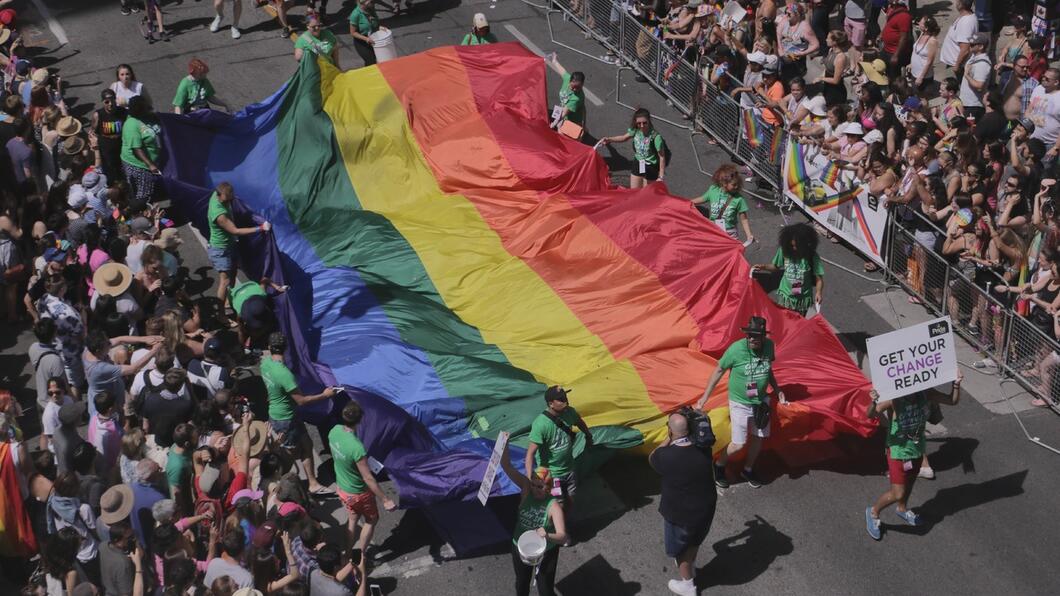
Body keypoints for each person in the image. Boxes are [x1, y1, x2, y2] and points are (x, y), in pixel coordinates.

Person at [865, 370, 963, 540]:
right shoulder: (894, 398)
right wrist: (874, 401)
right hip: (898, 452)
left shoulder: (926, 393)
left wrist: (956, 384)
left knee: (910, 482)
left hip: (917, 450)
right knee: (897, 493)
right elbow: (871, 413)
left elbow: (951, 401)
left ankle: (902, 509)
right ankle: (873, 512)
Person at [695, 316, 786, 488]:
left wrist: (778, 389)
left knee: (758, 438)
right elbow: (719, 370)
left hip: (760, 402)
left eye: (756, 335)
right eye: (749, 335)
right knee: (738, 444)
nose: (752, 338)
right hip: (740, 403)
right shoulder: (736, 350)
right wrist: (704, 397)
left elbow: (768, 370)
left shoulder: (769, 346)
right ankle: (719, 464)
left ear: (763, 336)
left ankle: (748, 469)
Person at [649, 412, 715, 596]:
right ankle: (691, 566)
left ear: (670, 430)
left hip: (681, 515)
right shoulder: (704, 448)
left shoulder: (666, 455)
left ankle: (688, 585)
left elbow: (652, 458)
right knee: (695, 540)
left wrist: (667, 439)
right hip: (706, 508)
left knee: (680, 551)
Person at [262, 331, 335, 495]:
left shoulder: (265, 364)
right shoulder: (284, 374)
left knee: (307, 444)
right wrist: (325, 395)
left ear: (269, 347)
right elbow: (301, 400)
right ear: (286, 348)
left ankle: (313, 483)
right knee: (288, 456)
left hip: (286, 415)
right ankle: (277, 487)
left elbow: (269, 385)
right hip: (285, 419)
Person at [329, 401, 396, 556]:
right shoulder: (357, 448)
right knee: (371, 520)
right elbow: (368, 478)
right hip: (359, 493)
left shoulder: (334, 431)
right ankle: (361, 554)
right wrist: (385, 499)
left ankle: (347, 553)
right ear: (360, 420)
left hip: (343, 489)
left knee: (352, 520)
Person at [500, 441, 567, 596]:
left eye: (540, 487)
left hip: (546, 550)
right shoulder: (526, 489)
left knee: (545, 589)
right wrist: (503, 443)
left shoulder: (553, 506)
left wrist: (548, 535)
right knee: (521, 583)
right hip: (521, 546)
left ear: (549, 488)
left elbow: (562, 536)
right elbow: (506, 466)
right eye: (534, 485)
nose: (535, 490)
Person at [524, 385, 592, 525]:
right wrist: (530, 477)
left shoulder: (570, 412)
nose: (565, 401)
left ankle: (563, 520)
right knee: (558, 503)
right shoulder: (541, 424)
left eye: (565, 398)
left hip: (570, 468)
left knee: (571, 497)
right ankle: (556, 528)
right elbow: (530, 454)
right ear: (550, 404)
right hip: (552, 475)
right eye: (560, 400)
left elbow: (579, 422)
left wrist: (588, 435)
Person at [207, 182, 270, 306]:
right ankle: (221, 314)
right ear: (219, 196)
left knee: (233, 273)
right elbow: (235, 230)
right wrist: (260, 228)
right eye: (226, 201)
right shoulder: (219, 214)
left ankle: (228, 299)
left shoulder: (217, 193)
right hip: (220, 250)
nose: (228, 203)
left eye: (230, 200)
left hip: (229, 245)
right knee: (224, 281)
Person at [754, 223, 825, 316]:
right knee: (784, 322)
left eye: (797, 246)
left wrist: (819, 292)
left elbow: (819, 279)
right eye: (792, 246)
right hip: (785, 297)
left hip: (802, 300)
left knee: (798, 324)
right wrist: (763, 267)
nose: (794, 248)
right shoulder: (784, 251)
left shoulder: (812, 256)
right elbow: (775, 267)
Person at [599, 108, 667, 188]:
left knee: (646, 194)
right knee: (634, 190)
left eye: (644, 123)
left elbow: (662, 157)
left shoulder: (656, 137)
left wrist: (661, 176)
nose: (642, 126)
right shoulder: (636, 130)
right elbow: (624, 137)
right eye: (639, 123)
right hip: (638, 163)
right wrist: (609, 139)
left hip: (650, 167)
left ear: (649, 121)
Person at [690, 163, 754, 243]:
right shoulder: (713, 191)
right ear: (724, 183)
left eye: (738, 183)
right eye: (734, 184)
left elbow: (744, 219)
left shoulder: (739, 199)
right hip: (714, 230)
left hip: (730, 234)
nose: (737, 186)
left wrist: (749, 235)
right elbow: (701, 199)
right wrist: (683, 203)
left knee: (731, 253)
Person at [120, 96, 162, 204]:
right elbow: (136, 149)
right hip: (139, 165)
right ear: (137, 110)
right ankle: (141, 214)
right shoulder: (132, 124)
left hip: (149, 162)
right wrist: (150, 165)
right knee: (143, 194)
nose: (147, 108)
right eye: (144, 107)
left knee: (148, 190)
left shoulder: (146, 117)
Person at [30, 317, 66, 414]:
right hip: (54, 406)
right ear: (54, 333)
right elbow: (61, 385)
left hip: (40, 400)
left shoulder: (33, 347)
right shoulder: (55, 360)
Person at [91, 89, 127, 182]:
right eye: (107, 101)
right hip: (106, 152)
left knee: (123, 174)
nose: (110, 104)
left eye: (112, 100)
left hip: (122, 149)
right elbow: (93, 132)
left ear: (116, 99)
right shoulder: (98, 115)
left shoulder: (123, 112)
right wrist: (95, 148)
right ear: (103, 102)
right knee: (110, 176)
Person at [959, 33, 992, 121]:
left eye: (972, 45)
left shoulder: (983, 64)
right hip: (967, 103)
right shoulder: (974, 56)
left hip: (973, 105)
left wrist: (966, 75)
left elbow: (979, 86)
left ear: (981, 46)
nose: (969, 46)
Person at [939, 0, 977, 74]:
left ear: (960, 4)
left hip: (957, 66)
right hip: (953, 63)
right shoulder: (965, 17)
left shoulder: (966, 22)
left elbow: (965, 49)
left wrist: (957, 66)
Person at [349, 0, 381, 67]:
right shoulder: (355, 14)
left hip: (373, 38)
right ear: (362, 2)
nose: (372, 2)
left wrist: (380, 27)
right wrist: (366, 39)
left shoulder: (371, 7)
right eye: (370, 1)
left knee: (380, 58)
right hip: (362, 42)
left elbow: (376, 22)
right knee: (371, 61)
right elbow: (353, 32)